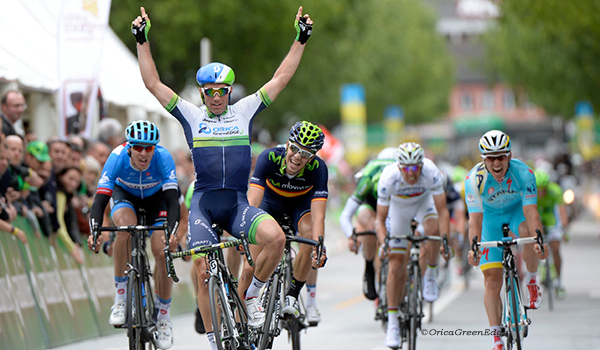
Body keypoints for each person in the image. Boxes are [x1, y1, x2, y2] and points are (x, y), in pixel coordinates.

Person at [132, 5, 314, 349]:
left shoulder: (244, 110)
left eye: (222, 91)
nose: (217, 97)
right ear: (201, 93)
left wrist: (300, 39)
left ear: (230, 91)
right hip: (203, 204)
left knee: (275, 239)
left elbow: (280, 79)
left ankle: (253, 296)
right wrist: (142, 40)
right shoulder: (190, 115)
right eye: (210, 92)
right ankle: (217, 341)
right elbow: (153, 83)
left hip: (235, 204)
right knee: (203, 273)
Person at [86, 120, 180, 350]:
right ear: (129, 147)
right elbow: (99, 201)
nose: (144, 152)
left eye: (149, 147)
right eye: (138, 147)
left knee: (162, 251)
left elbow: (172, 201)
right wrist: (95, 231)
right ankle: (120, 299)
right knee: (125, 230)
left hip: (156, 199)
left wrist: (173, 233)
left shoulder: (163, 157)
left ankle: (164, 317)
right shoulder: (116, 157)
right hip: (125, 195)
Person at [465, 130, 547, 350]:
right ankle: (496, 339)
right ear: (483, 159)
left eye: (501, 156)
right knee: (492, 281)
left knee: (526, 233)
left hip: (516, 213)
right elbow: (475, 219)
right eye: (491, 158)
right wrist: (474, 248)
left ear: (509, 156)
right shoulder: (474, 179)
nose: (497, 163)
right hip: (489, 221)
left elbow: (531, 213)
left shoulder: (524, 173)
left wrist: (538, 240)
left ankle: (530, 280)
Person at [240, 121, 328, 324]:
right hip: (269, 204)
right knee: (248, 267)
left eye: (305, 154)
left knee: (309, 237)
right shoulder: (269, 157)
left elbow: (319, 216)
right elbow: (253, 201)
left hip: (300, 206)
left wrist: (319, 246)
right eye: (295, 149)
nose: (298, 156)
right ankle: (241, 323)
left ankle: (292, 295)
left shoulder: (319, 169)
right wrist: (243, 232)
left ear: (312, 157)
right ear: (287, 145)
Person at [375, 142, 450, 348]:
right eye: (406, 168)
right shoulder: (389, 177)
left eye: (415, 167)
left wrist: (444, 240)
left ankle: (431, 277)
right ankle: (392, 324)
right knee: (396, 265)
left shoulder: (431, 172)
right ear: (399, 167)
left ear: (421, 165)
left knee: (433, 229)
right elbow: (379, 220)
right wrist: (383, 243)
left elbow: (443, 211)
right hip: (399, 210)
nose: (411, 173)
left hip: (423, 204)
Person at [339, 147, 396, 300]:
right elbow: (346, 215)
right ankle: (369, 266)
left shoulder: (402, 179)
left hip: (395, 204)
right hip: (370, 202)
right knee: (371, 226)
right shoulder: (368, 179)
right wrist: (351, 235)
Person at [534, 168, 568, 299]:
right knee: (534, 246)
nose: (541, 191)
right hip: (538, 219)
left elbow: (562, 211)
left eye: (543, 188)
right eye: (538, 188)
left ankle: (559, 282)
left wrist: (563, 228)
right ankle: (539, 273)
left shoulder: (555, 191)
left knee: (556, 249)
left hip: (552, 221)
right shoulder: (531, 192)